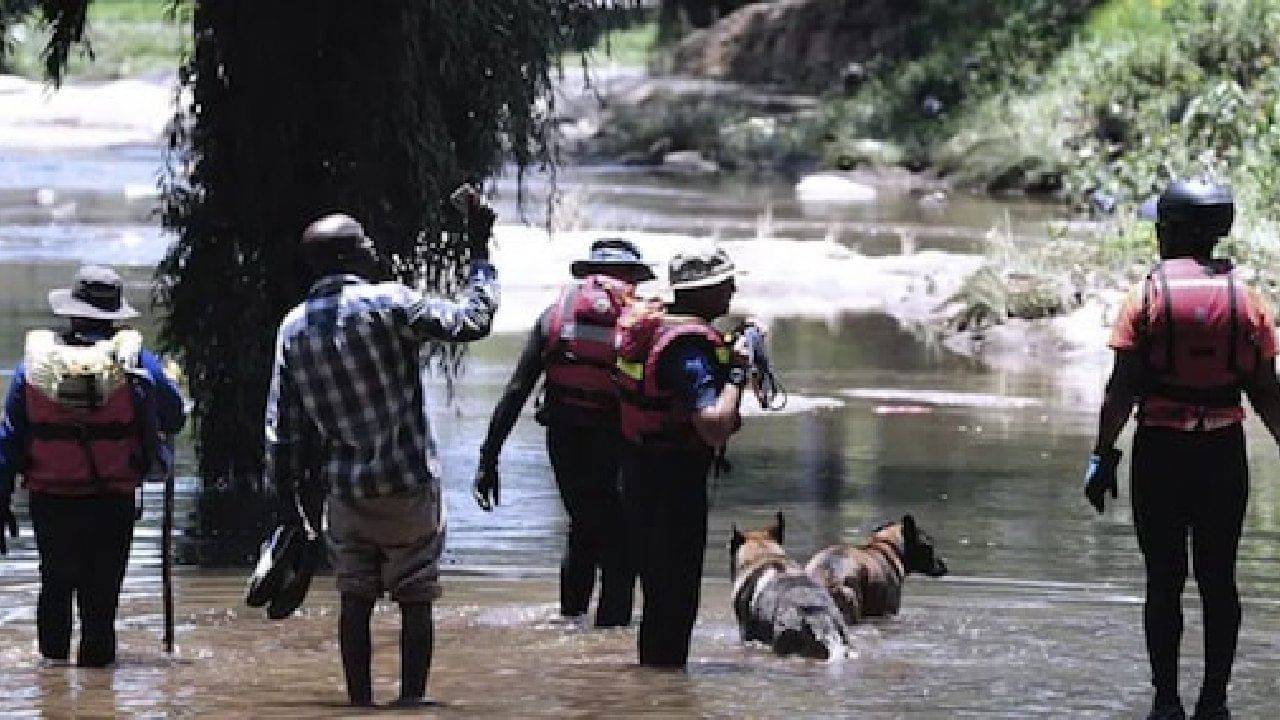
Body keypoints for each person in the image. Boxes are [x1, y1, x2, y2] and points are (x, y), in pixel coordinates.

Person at [264, 202, 498, 707]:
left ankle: (359, 705)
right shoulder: (390, 304)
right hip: (408, 484)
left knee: (355, 598)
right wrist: (478, 249)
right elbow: (473, 321)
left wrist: (289, 509)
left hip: (346, 492)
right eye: (366, 241)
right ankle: (412, 704)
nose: (375, 248)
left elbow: (282, 431)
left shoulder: (293, 328)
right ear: (349, 254)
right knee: (415, 598)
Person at [1085, 180, 1280, 720]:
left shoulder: (1144, 297)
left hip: (1161, 456)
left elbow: (1120, 390)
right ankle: (1214, 703)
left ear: (1173, 232)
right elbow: (1267, 392)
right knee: (1220, 579)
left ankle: (1166, 702)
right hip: (1223, 456)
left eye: (1159, 226)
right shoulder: (1250, 301)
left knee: (1163, 580)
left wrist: (1102, 457)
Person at [0, 265, 187, 667]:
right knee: (100, 601)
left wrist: (2, 502)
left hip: (51, 500)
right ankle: (98, 691)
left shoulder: (34, 368)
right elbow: (175, 418)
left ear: (71, 313)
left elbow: (8, 441)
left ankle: (49, 683)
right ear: (115, 316)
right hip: (111, 500)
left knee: (55, 585)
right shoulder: (135, 363)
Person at [473, 238, 655, 627]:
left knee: (582, 526)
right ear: (630, 277)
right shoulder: (641, 320)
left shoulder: (555, 315)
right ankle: (609, 645)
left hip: (566, 438)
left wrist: (488, 457)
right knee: (619, 548)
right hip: (617, 441)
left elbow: (517, 390)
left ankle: (570, 625)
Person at [613, 246, 753, 668]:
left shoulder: (656, 326)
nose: (733, 289)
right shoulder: (689, 347)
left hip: (639, 472)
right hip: (673, 483)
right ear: (704, 291)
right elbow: (713, 425)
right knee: (675, 597)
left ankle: (650, 691)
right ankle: (665, 695)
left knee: (658, 595)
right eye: (725, 283)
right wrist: (736, 372)